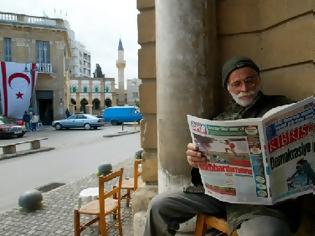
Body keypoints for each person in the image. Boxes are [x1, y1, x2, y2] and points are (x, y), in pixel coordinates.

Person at [144, 56, 302, 236]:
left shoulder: (282, 106)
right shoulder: (220, 120)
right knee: (159, 206)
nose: (245, 88)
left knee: (268, 233)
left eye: (250, 81)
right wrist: (196, 161)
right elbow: (201, 176)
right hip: (217, 195)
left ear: (259, 80)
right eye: (237, 84)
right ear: (228, 88)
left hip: (261, 204)